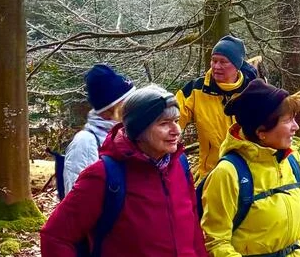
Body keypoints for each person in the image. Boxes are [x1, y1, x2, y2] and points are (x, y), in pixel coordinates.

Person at [41, 85, 206, 257]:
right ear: (138, 129)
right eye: (164, 124)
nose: (176, 131)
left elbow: (194, 230)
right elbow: (55, 236)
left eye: (176, 121)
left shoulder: (180, 164)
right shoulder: (104, 175)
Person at [200, 79, 300, 257]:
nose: (296, 127)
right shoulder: (228, 173)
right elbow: (216, 243)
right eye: (287, 120)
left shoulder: (291, 159)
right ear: (261, 132)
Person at [176, 34, 255, 182]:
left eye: (223, 62)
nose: (216, 66)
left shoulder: (252, 91)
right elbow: (172, 118)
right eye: (214, 60)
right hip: (211, 174)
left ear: (237, 65)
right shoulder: (196, 90)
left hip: (249, 173)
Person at [61, 64, 135, 196]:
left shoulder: (132, 135)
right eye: (126, 103)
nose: (134, 106)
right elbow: (77, 200)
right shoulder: (85, 142)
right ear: (107, 111)